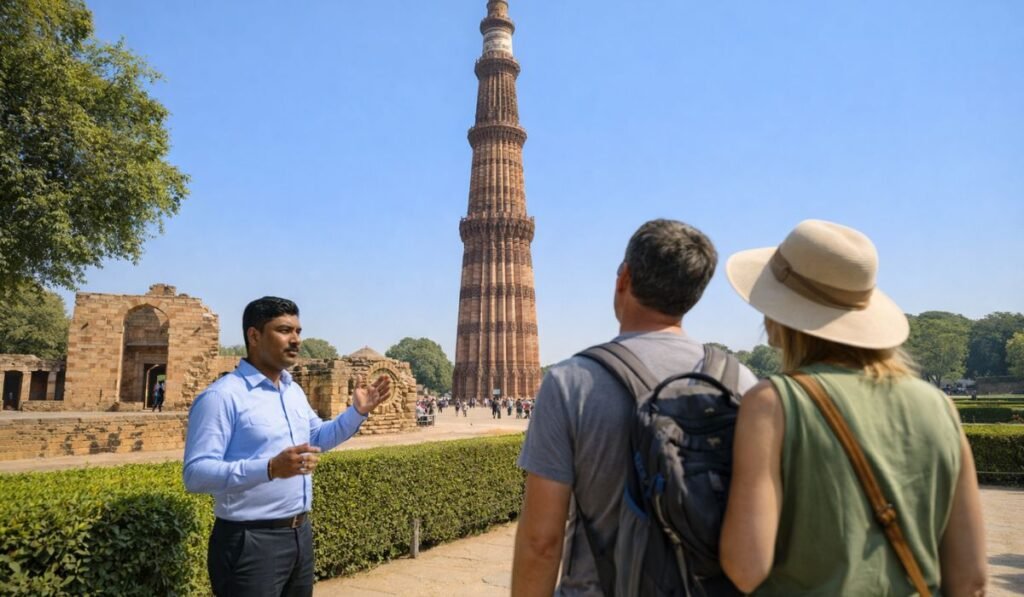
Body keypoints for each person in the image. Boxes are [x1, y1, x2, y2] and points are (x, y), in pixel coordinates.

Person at [719, 220, 987, 595]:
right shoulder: (939, 406)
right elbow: (972, 580)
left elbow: (746, 567)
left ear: (783, 315)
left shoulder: (772, 404)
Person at [511, 219, 759, 595]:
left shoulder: (570, 383)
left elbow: (541, 543)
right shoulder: (739, 382)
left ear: (623, 278)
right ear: (694, 294)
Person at [183, 297, 391, 596]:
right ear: (254, 336)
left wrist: (356, 412)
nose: (296, 340)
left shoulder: (292, 391)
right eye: (284, 330)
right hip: (249, 541)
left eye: (297, 330)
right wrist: (269, 468)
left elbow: (317, 439)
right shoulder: (223, 397)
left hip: (298, 535)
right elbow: (196, 474)